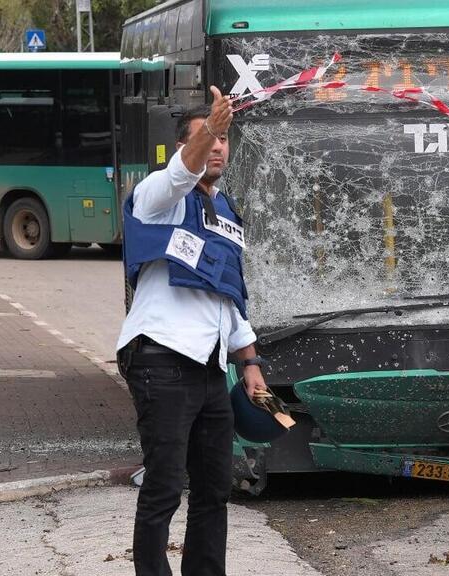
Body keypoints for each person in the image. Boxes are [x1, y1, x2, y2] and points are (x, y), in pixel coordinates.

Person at [116, 86, 267, 576]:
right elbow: (182, 172)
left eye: (224, 138)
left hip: (208, 366)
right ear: (184, 146)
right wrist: (208, 133)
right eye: (208, 138)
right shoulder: (158, 194)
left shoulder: (225, 212)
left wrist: (250, 363)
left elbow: (229, 296)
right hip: (160, 357)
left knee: (214, 487)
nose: (218, 145)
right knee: (163, 485)